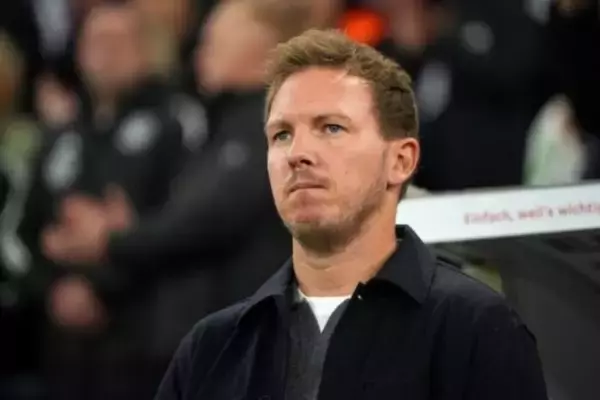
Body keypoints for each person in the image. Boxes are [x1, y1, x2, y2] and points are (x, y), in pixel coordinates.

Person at [155, 29, 548, 400]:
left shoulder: (476, 329)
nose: (297, 153)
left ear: (400, 160)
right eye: (282, 134)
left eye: (331, 128)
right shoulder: (211, 349)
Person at [16, 3, 204, 399]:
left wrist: (103, 285)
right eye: (95, 41)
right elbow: (27, 229)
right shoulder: (61, 135)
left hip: (142, 340)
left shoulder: (178, 123)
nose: (105, 52)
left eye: (119, 42)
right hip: (61, 344)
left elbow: (183, 228)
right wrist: (53, 289)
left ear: (148, 50)